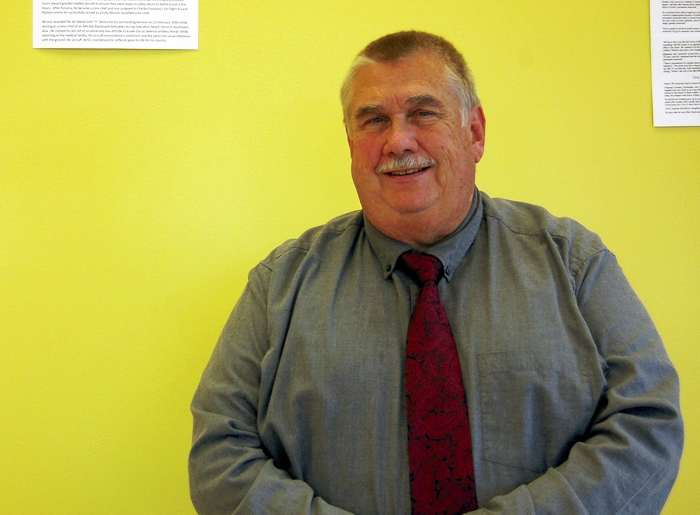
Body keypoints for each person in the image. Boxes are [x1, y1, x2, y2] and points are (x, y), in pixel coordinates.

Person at [189, 31, 683, 514]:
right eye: (374, 120)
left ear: (475, 133)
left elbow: (648, 423)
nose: (397, 140)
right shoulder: (279, 285)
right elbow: (219, 454)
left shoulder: (572, 263)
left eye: (423, 113)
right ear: (351, 144)